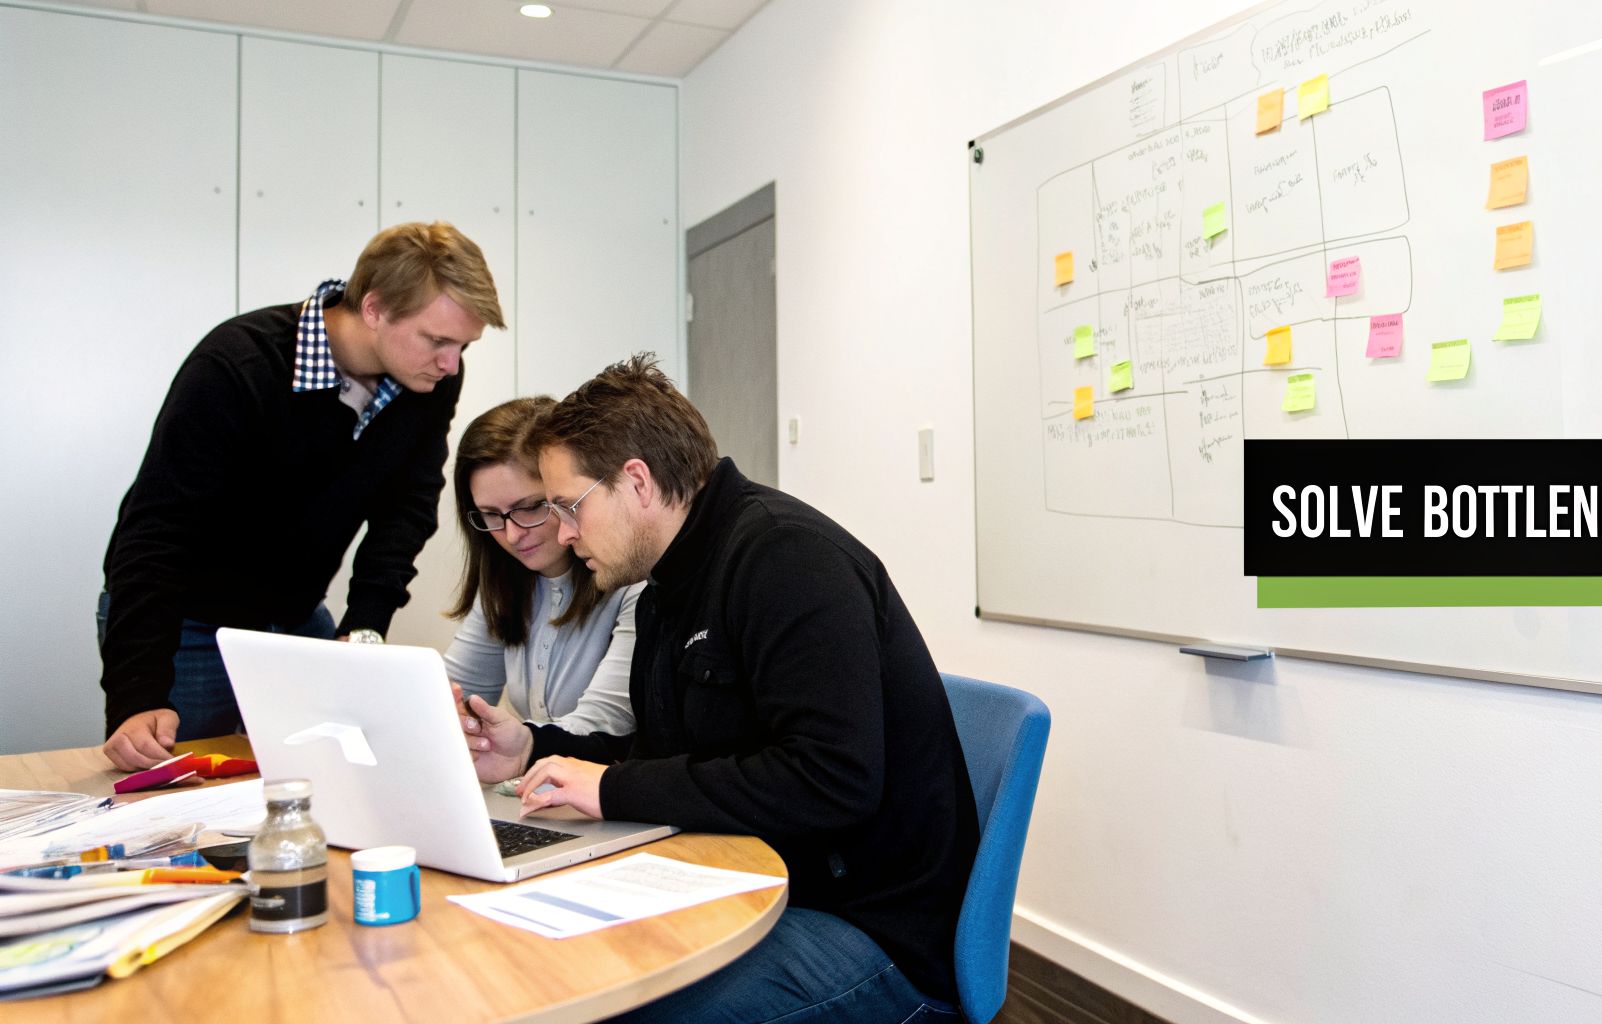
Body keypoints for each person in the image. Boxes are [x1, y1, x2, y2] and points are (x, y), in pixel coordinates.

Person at [458, 354, 979, 1023]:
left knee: (616, 1010)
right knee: (548, 970)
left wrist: (610, 789)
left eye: (568, 506)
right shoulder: (668, 583)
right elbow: (666, 751)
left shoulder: (788, 560)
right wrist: (531, 747)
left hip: (869, 928)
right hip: (760, 879)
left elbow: (831, 779)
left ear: (637, 482)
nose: (560, 532)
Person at [98, 221, 506, 771]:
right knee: (182, 797)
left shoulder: (427, 381)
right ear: (375, 308)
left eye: (463, 345)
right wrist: (138, 693)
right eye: (437, 340)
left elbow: (406, 508)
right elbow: (155, 532)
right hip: (187, 622)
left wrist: (365, 625)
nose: (452, 364)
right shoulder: (237, 366)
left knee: (330, 783)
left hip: (292, 618)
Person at [442, 396, 640, 737]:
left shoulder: (631, 577)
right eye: (492, 515)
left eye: (531, 507)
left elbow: (605, 725)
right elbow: (449, 700)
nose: (513, 534)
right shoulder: (505, 583)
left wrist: (517, 744)